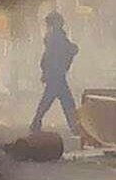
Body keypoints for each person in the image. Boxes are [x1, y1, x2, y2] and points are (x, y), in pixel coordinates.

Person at [29, 10, 83, 144]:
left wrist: (45, 72)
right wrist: (73, 48)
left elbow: (48, 56)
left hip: (55, 74)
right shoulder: (56, 36)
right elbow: (64, 51)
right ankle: (74, 127)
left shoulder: (52, 36)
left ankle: (36, 122)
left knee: (51, 100)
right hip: (57, 74)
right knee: (66, 101)